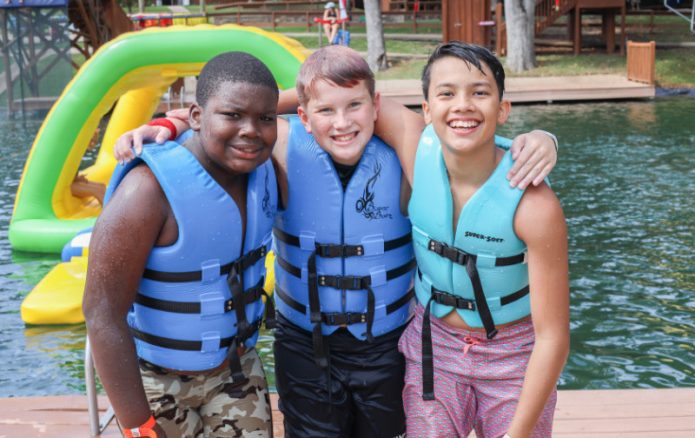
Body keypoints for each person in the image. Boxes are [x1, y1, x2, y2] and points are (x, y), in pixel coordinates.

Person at [114, 45, 559, 438]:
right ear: (305, 116)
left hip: (387, 345)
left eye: (355, 107)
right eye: (324, 111)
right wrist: (173, 122)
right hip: (304, 346)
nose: (342, 122)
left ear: (374, 106)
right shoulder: (279, 143)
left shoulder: (407, 145)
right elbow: (237, 119)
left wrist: (543, 138)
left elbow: (468, 138)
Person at [374, 42, 570, 438]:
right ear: (426, 109)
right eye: (446, 94)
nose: (462, 105)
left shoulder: (534, 205)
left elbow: (553, 337)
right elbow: (340, 95)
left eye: (479, 93)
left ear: (502, 109)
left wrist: (517, 435)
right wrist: (267, 106)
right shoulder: (416, 148)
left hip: (515, 355)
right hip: (434, 345)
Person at [83, 52, 280, 438]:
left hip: (236, 371)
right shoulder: (146, 191)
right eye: (232, 115)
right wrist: (137, 425)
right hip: (155, 383)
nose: (251, 131)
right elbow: (101, 313)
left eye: (266, 118)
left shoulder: (266, 173)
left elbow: (319, 98)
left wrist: (170, 121)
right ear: (196, 116)